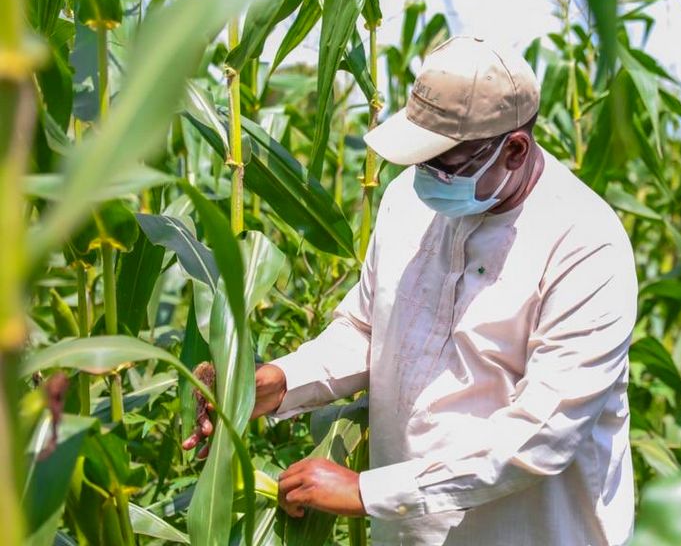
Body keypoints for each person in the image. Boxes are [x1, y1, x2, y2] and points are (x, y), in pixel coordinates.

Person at [185, 35, 639, 546]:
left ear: (514, 149)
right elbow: (367, 328)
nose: (427, 175)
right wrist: (280, 381)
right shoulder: (408, 202)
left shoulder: (584, 243)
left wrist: (367, 492)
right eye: (420, 158)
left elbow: (543, 434)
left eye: (446, 162)